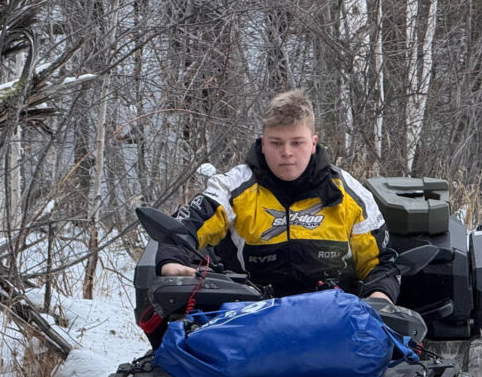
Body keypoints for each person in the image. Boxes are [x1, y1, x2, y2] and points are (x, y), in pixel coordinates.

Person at [157, 89, 399, 302]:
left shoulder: (350, 194)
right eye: (276, 143)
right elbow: (186, 226)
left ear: (313, 143)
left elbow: (381, 262)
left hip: (334, 323)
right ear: (262, 143)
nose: (286, 153)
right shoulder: (232, 188)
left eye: (297, 143)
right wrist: (171, 261)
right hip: (252, 318)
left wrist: (380, 294)